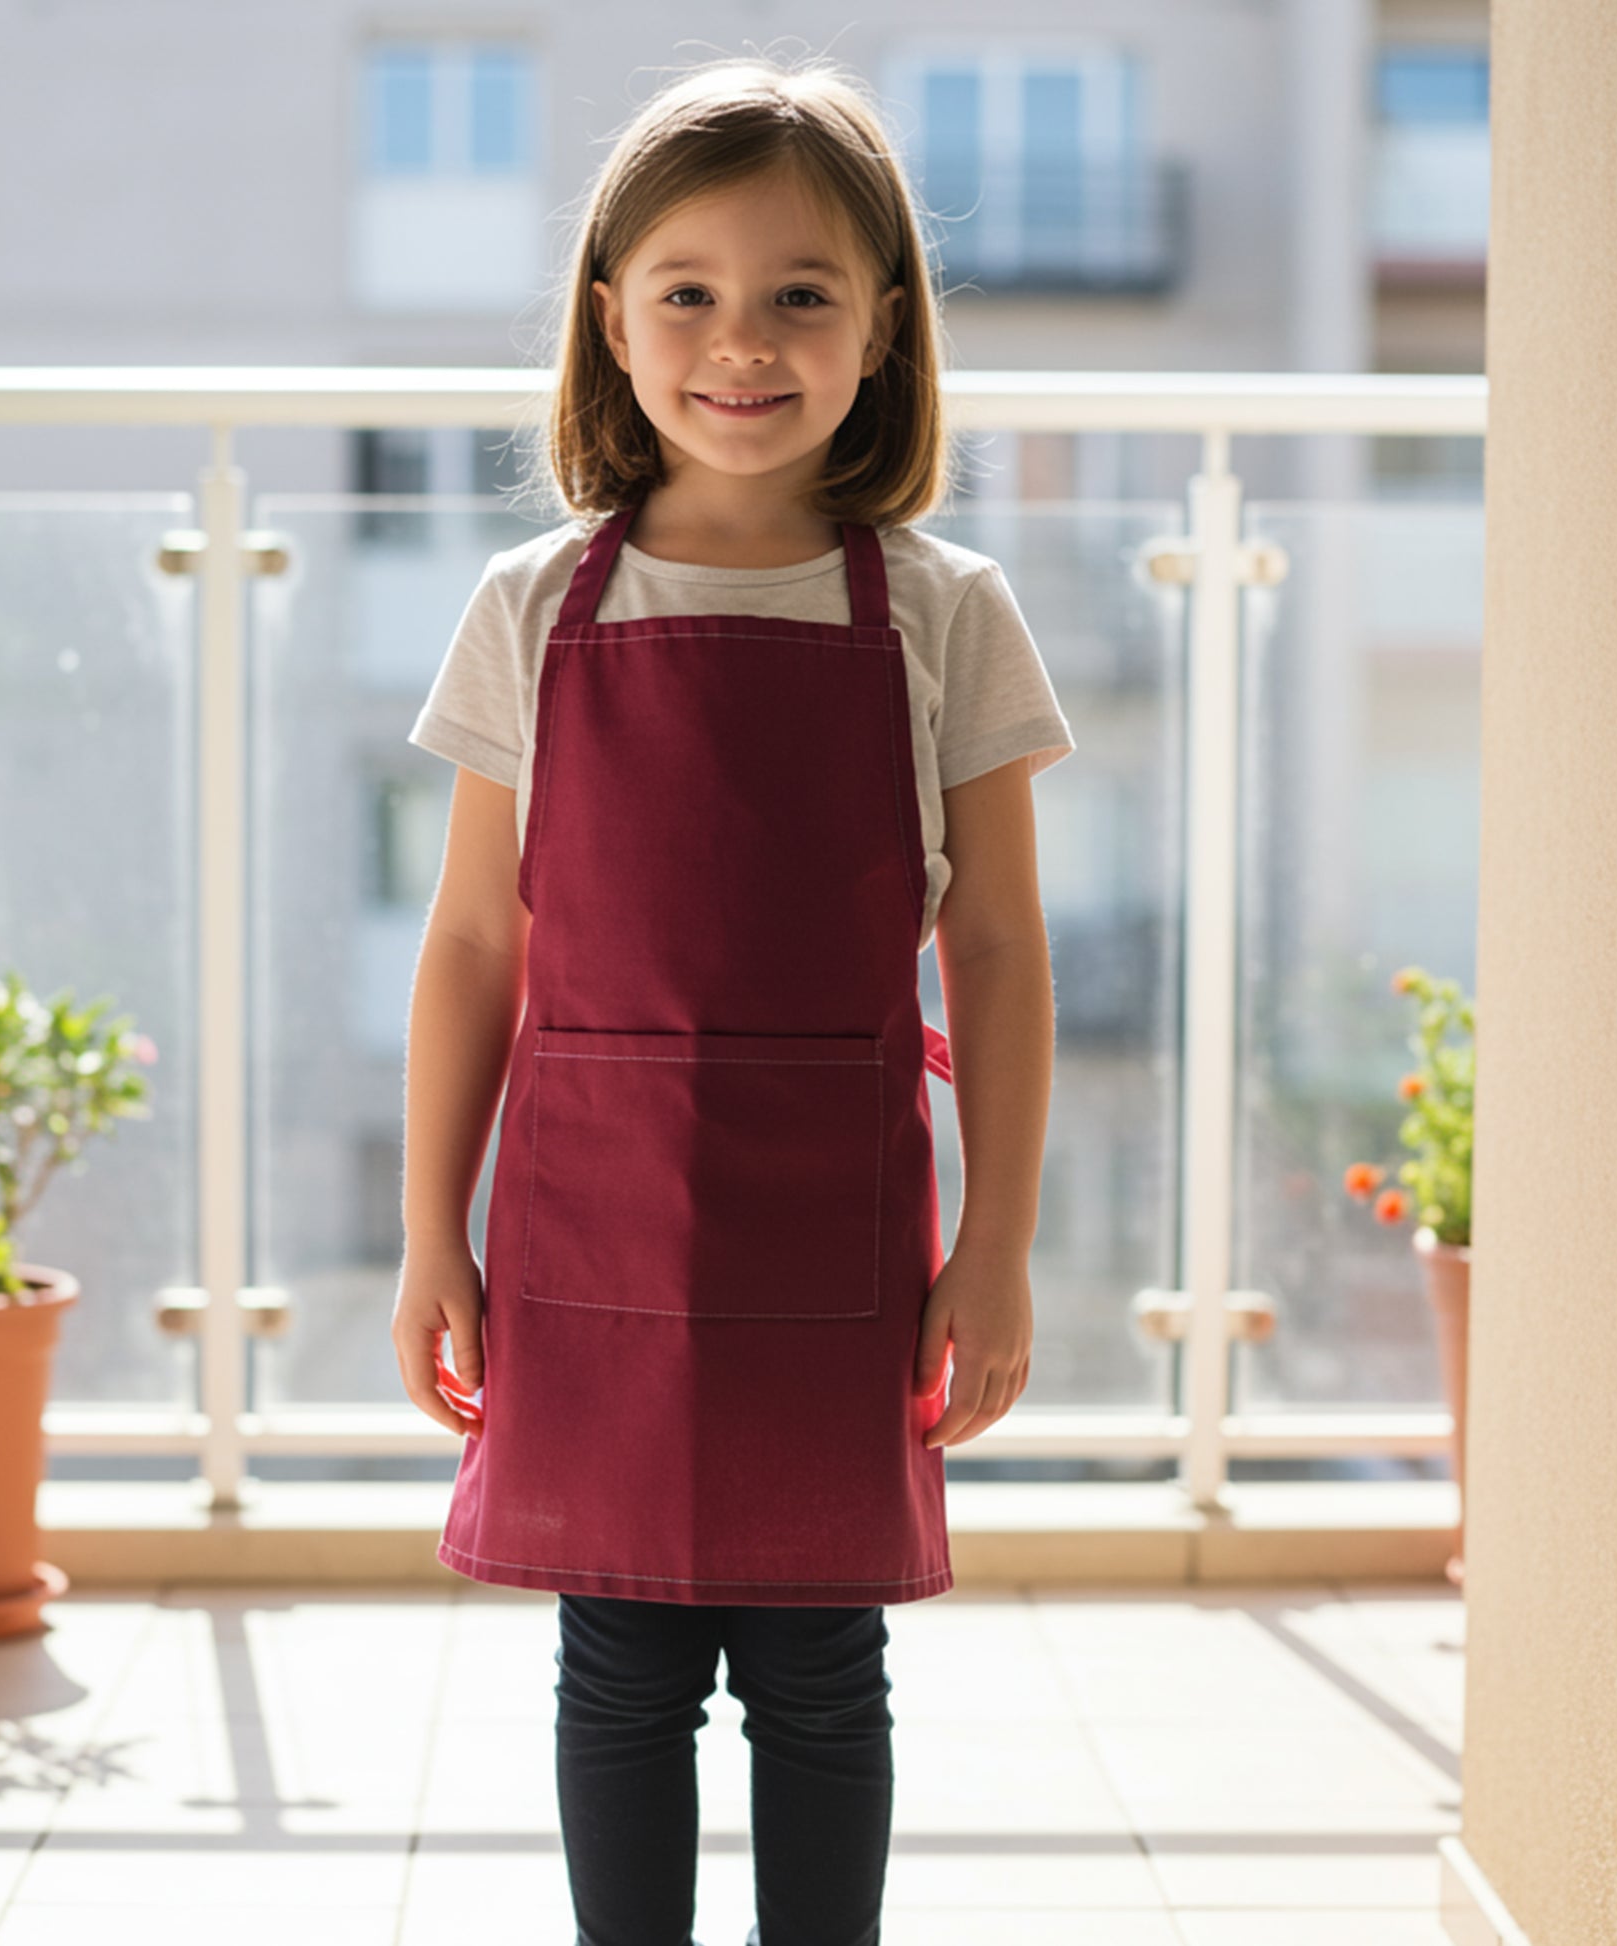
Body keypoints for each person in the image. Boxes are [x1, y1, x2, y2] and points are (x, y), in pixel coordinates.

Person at [392, 51, 1076, 1946]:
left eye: (800, 294)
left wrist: (1000, 1239)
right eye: (686, 290)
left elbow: (1000, 949)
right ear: (609, 320)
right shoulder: (533, 606)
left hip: (841, 1227)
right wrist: (422, 1228)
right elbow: (468, 944)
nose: (740, 340)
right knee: (612, 1657)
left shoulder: (943, 614)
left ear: (883, 330)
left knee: (817, 1662)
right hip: (584, 1216)